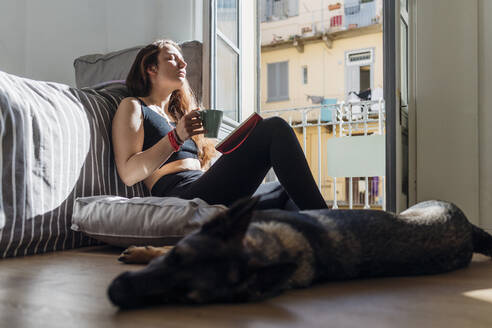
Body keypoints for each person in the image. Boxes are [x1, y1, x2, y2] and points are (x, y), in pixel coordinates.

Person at [112, 39, 327, 210]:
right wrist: (176, 137)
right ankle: (330, 223)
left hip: (204, 184)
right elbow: (129, 174)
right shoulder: (133, 106)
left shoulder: (179, 115)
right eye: (172, 58)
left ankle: (310, 244)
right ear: (151, 68)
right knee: (274, 128)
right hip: (182, 195)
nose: (183, 64)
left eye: (182, 59)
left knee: (286, 190)